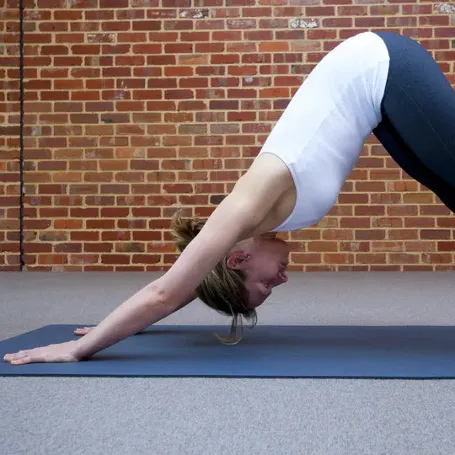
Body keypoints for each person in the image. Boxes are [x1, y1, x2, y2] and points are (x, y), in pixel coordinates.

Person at [4, 30, 454, 365]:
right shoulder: (244, 231)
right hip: (377, 97)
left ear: (237, 261)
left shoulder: (244, 208)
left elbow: (164, 292)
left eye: (264, 287)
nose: (280, 282)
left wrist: (80, 348)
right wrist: (110, 326)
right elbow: (185, 286)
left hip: (382, 67)